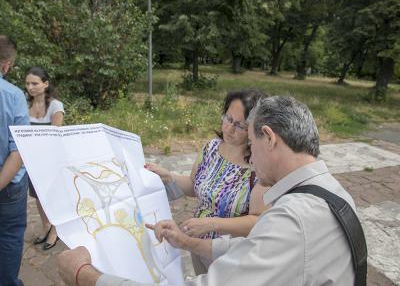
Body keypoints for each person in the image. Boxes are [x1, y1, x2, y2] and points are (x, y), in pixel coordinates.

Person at [58, 95, 361, 285]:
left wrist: (87, 276)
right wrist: (190, 243)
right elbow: (255, 249)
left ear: (268, 138)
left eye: (252, 145)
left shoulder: (293, 222)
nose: (252, 159)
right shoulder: (332, 193)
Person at [145, 89, 268, 274]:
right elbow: (194, 186)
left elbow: (258, 221)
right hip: (197, 244)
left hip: (231, 255)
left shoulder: (258, 166)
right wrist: (168, 177)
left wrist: (212, 223)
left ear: (254, 129)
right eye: (228, 118)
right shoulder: (211, 148)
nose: (229, 129)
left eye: (240, 126)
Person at [0, 35, 30, 286]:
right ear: (6, 64)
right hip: (8, 186)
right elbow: (18, 152)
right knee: (9, 235)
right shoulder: (13, 95)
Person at [25, 66, 65, 250]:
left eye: (35, 83)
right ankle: (45, 226)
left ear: (45, 84)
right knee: (38, 196)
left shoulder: (55, 106)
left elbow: (55, 136)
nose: (30, 87)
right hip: (32, 159)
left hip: (51, 159)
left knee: (52, 196)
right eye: (27, 83)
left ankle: (56, 231)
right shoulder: (25, 106)